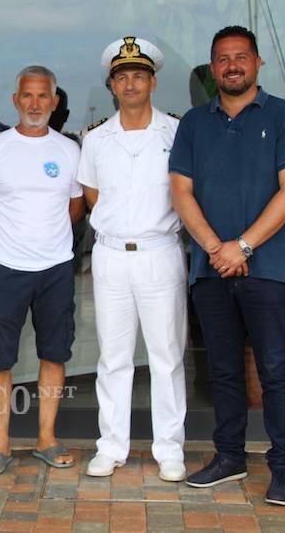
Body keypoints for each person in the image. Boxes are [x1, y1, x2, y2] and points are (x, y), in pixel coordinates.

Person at [169, 25, 285, 506]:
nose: (232, 65)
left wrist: (243, 247)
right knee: (224, 372)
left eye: (241, 57)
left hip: (268, 268)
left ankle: (284, 466)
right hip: (212, 270)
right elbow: (181, 192)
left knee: (275, 370)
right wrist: (216, 248)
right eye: (223, 59)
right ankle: (229, 457)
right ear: (213, 69)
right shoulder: (193, 123)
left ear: (257, 63)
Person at [78, 36, 188, 482]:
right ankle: (112, 445)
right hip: (111, 255)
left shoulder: (176, 132)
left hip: (160, 252)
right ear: (112, 84)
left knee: (166, 355)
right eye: (122, 77)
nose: (130, 83)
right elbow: (91, 195)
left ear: (153, 82)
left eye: (138, 75)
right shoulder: (96, 138)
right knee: (113, 356)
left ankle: (170, 448)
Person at [0, 65, 85, 475]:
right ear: (16, 100)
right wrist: (13, 243)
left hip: (55, 266)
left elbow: (75, 208)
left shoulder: (69, 151)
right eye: (27, 96)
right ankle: (0, 444)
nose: (35, 104)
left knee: (54, 352)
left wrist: (45, 242)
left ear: (54, 103)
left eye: (43, 97)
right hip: (6, 267)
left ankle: (46, 439)